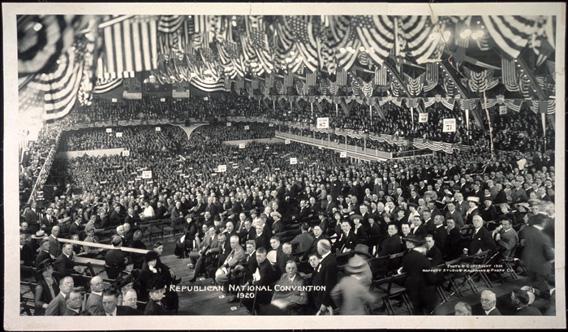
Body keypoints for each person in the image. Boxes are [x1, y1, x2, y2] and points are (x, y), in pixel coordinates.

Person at [399, 235, 437, 315]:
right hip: (426, 291)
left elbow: (405, 272)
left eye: (408, 242)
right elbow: (431, 279)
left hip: (413, 290)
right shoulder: (424, 259)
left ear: (412, 244)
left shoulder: (407, 257)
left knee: (418, 311)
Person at [520, 214, 554, 299]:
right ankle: (545, 298)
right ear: (543, 222)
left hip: (529, 262)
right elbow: (550, 256)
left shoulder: (526, 230)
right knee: (542, 285)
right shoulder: (544, 237)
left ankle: (530, 296)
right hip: (541, 266)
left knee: (532, 281)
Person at [311, 239, 338, 314]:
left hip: (323, 299)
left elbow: (329, 284)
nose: (317, 249)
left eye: (317, 247)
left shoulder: (330, 262)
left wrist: (324, 303)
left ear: (322, 249)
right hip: (318, 295)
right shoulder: (325, 259)